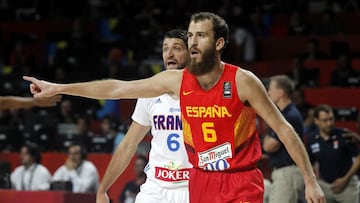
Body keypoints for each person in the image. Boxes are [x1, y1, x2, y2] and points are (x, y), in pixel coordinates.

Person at [23, 12, 325, 203]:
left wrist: (310, 181)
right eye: (190, 35)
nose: (192, 41)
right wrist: (60, 87)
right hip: (201, 180)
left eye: (201, 35)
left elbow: (284, 129)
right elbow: (117, 88)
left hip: (240, 179)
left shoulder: (243, 81)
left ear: (219, 43)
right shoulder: (176, 81)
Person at [101, 29, 192, 203]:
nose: (169, 53)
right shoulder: (149, 93)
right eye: (165, 48)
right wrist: (103, 188)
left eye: (177, 48)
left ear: (190, 53)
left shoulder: (205, 93)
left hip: (192, 185)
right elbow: (128, 144)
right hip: (156, 187)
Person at [262, 75, 305, 203]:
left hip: (288, 172)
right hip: (284, 172)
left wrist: (267, 136)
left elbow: (269, 146)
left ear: (280, 93)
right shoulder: (283, 114)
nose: (268, 92)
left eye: (270, 89)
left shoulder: (289, 116)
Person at [306, 104, 360, 203]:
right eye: (325, 120)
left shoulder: (345, 135)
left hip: (347, 185)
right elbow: (310, 163)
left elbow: (358, 158)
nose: (329, 123)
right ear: (316, 121)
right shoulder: (311, 140)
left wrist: (345, 179)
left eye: (331, 119)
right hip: (325, 186)